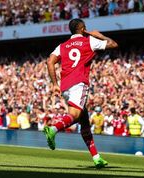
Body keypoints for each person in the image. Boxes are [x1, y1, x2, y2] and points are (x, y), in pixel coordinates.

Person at [44, 18, 117, 168]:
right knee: (75, 115)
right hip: (79, 83)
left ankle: (96, 157)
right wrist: (99, 35)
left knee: (84, 121)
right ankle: (53, 129)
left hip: (65, 87)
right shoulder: (89, 41)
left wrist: (54, 84)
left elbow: (49, 62)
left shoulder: (62, 46)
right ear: (83, 28)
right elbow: (114, 44)